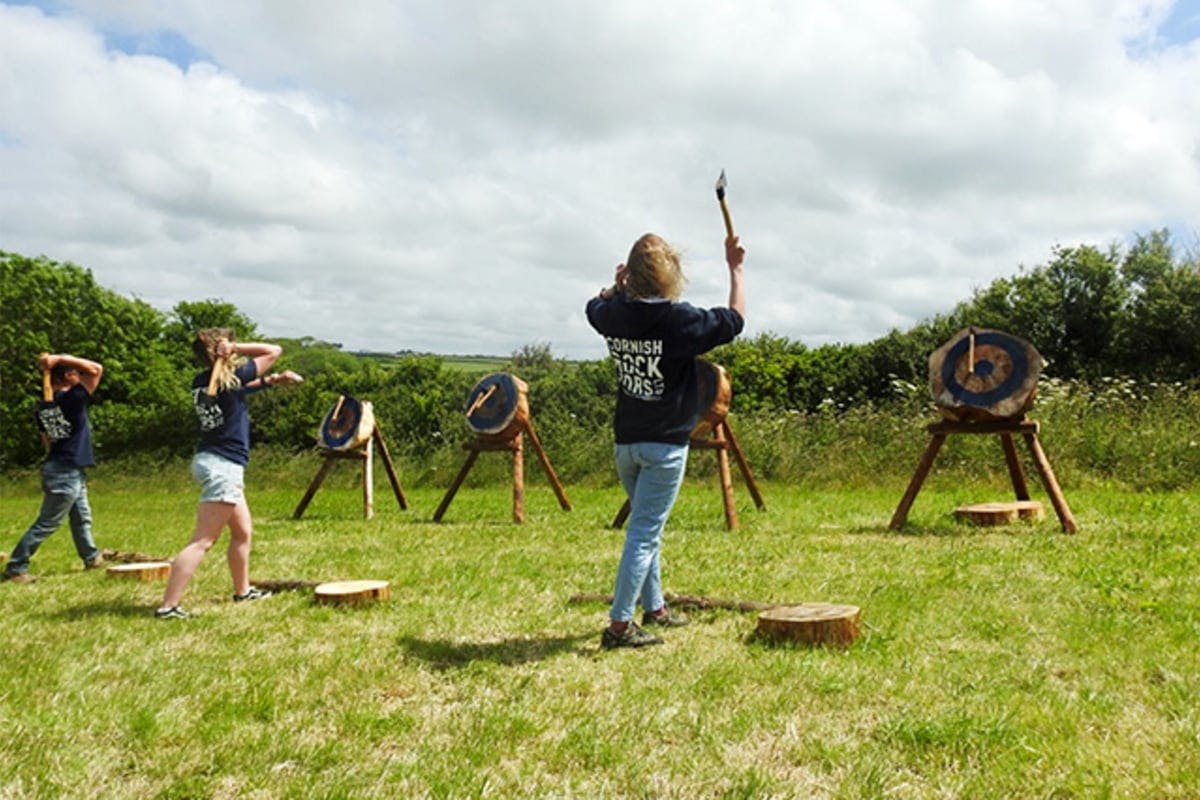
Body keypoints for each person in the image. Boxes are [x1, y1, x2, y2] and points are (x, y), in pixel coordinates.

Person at [586, 232, 746, 648]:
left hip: (627, 443)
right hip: (665, 446)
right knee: (644, 533)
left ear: (631, 276)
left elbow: (593, 306)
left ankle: (654, 608)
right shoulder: (680, 321)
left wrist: (613, 287)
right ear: (670, 274)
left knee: (645, 526)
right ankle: (619, 626)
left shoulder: (613, 314)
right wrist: (736, 268)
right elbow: (735, 320)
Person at [155, 329, 301, 619]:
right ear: (221, 349)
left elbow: (240, 389)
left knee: (242, 532)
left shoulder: (204, 381)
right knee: (203, 541)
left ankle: (243, 591)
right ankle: (168, 606)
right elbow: (273, 350)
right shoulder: (225, 378)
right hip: (223, 466)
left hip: (213, 461)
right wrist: (236, 346)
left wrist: (273, 380)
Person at [3, 353, 106, 583]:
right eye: (76, 373)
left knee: (82, 517)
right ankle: (16, 566)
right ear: (68, 376)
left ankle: (91, 557)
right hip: (66, 471)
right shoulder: (72, 399)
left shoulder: (45, 406)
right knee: (47, 523)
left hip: (61, 466)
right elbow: (96, 369)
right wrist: (59, 357)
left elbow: (47, 441)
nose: (80, 377)